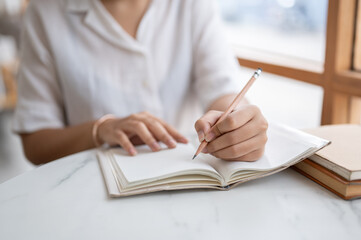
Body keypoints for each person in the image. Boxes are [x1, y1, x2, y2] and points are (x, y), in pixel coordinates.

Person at [13, 0, 268, 165]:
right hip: (91, 196)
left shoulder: (192, 5)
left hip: (188, 178)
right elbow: (36, 143)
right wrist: (101, 130)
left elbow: (222, 89)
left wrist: (236, 121)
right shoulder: (44, 12)